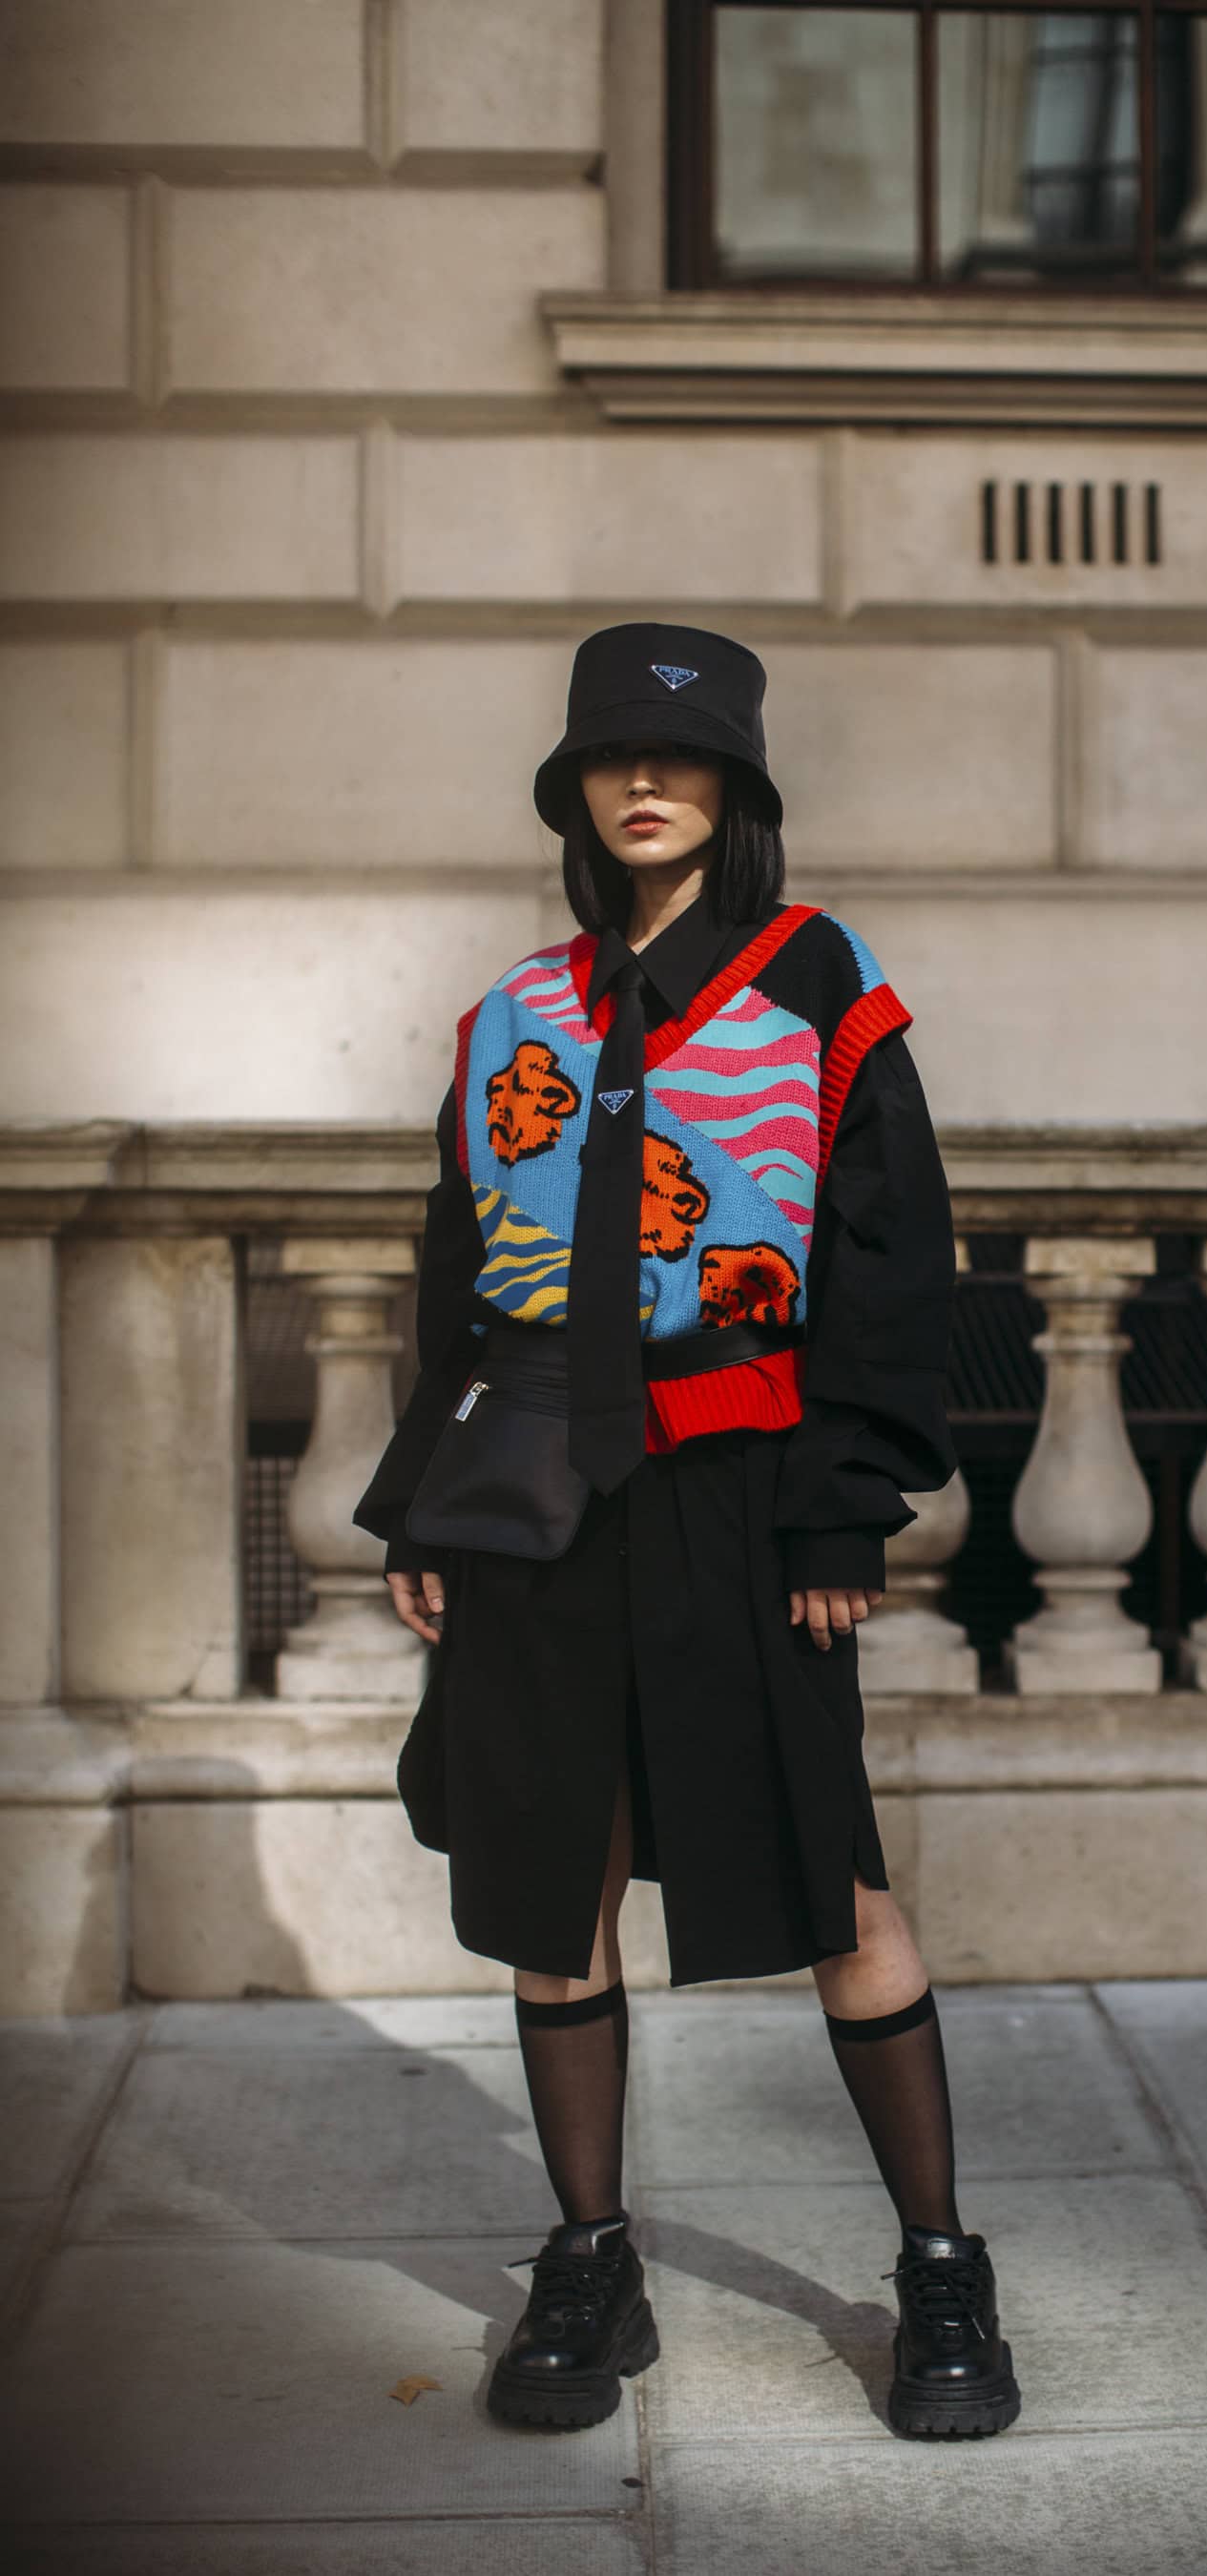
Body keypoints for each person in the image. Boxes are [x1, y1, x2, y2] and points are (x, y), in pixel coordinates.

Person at [354, 622, 1021, 2442]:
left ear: (738, 785)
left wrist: (841, 1511)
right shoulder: (517, 1012)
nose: (645, 782)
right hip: (531, 1493)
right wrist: (420, 1497)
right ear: (574, 790)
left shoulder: (822, 988)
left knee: (832, 1883)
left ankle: (940, 2267)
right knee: (551, 1877)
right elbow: (455, 1266)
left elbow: (892, 1264)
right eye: (611, 758)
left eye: (685, 756)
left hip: (740, 1485)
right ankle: (590, 2263)